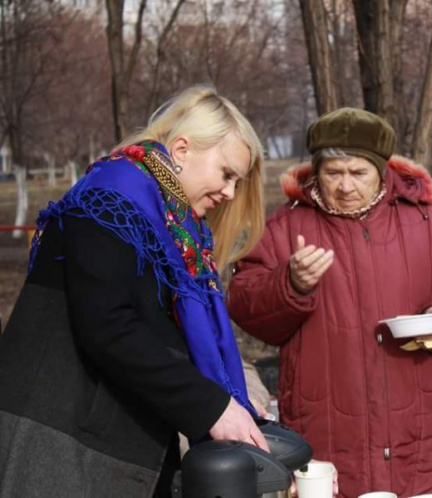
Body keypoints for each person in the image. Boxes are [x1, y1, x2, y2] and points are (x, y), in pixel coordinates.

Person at [0, 86, 270, 498]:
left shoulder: (174, 227)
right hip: (58, 442)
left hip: (114, 441)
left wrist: (235, 404)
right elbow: (107, 325)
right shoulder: (110, 199)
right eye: (227, 174)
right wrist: (210, 406)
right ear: (181, 149)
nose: (230, 193)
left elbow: (163, 334)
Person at [228, 107, 432, 498]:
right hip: (329, 434)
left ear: (382, 170)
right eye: (332, 172)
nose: (344, 186)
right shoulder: (284, 227)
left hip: (426, 437)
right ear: (316, 170)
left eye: (357, 172)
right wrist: (290, 284)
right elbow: (242, 303)